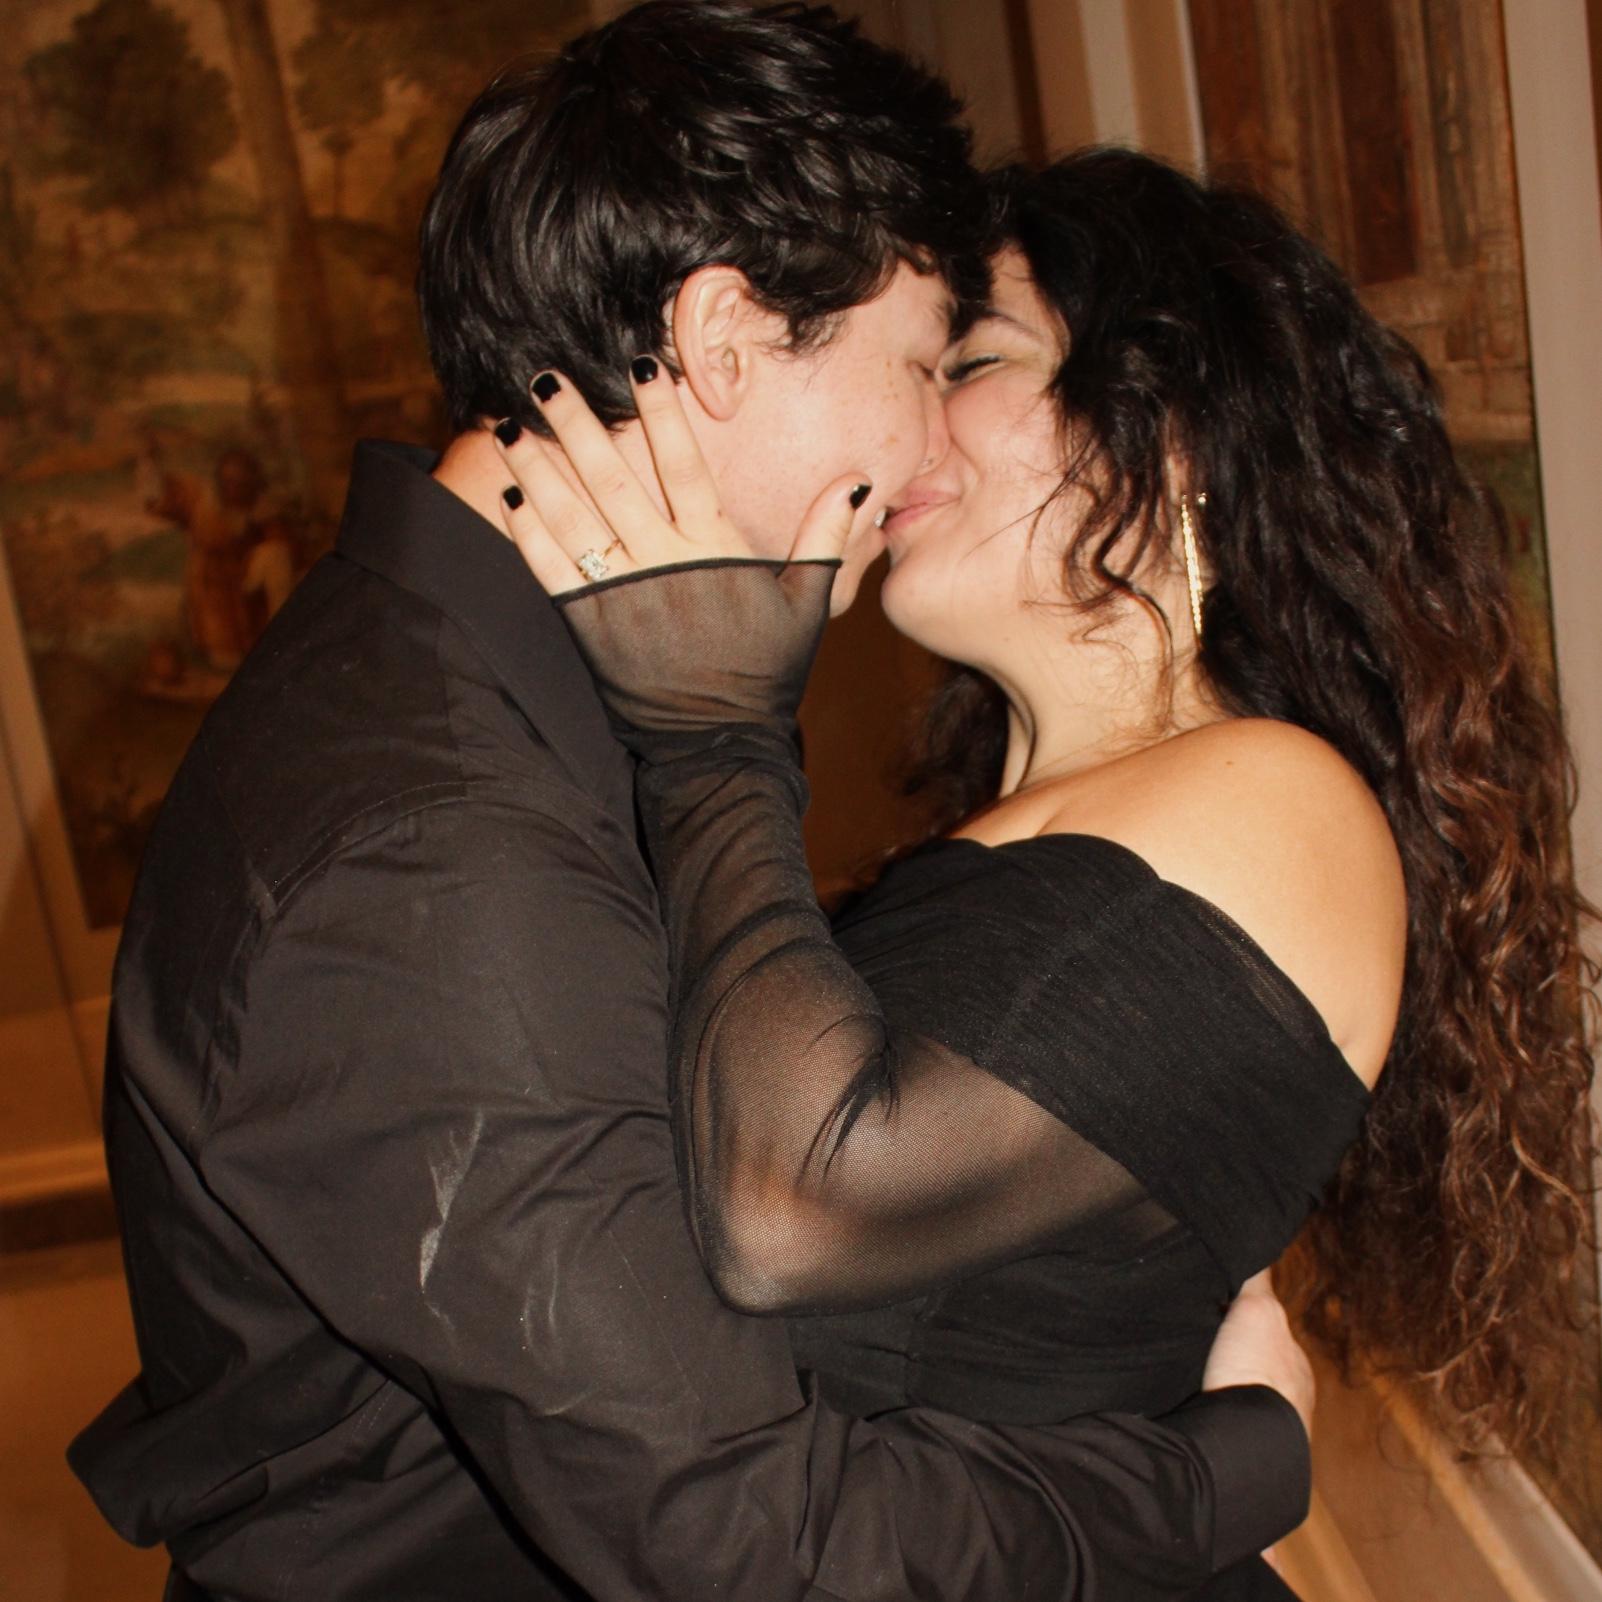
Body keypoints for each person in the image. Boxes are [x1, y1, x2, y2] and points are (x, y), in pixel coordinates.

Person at [69, 14, 1316, 1602]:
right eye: (922, 361)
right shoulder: (431, 843)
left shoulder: (514, 687)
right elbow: (743, 1540)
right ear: (725, 337)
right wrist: (1231, 1461)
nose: (930, 436)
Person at [494, 146, 1597, 1598]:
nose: (905, 421)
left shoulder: (1276, 796)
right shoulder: (1043, 833)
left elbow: (790, 1207)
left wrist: (713, 731)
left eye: (969, 361)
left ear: (1171, 429)